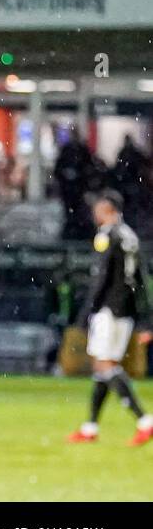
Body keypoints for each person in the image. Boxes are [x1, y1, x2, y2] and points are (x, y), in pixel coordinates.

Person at [66, 191, 153, 446]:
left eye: (100, 209)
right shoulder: (130, 236)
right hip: (126, 312)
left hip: (109, 310)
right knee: (104, 367)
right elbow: (140, 279)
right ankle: (90, 427)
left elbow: (101, 278)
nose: (96, 214)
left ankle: (144, 420)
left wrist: (85, 314)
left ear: (109, 209)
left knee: (105, 366)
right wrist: (146, 319)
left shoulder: (107, 235)